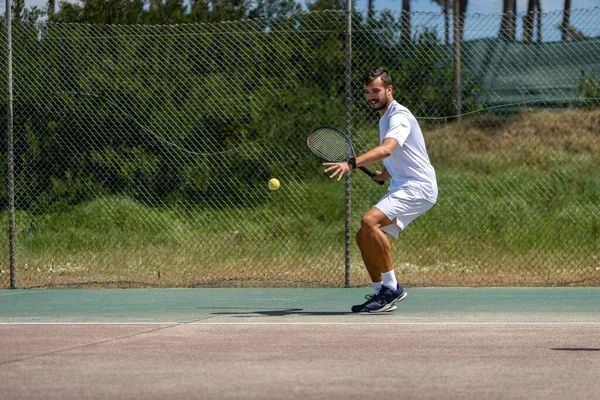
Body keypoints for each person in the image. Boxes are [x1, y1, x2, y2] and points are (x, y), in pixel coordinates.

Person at [323, 67, 438, 313]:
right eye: (366, 92)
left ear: (389, 89)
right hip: (404, 184)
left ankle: (392, 288)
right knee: (363, 236)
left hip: (418, 187)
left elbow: (386, 149)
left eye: (376, 91)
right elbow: (398, 154)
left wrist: (352, 163)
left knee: (369, 221)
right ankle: (380, 294)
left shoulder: (398, 116)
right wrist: (383, 175)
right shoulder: (383, 118)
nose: (371, 96)